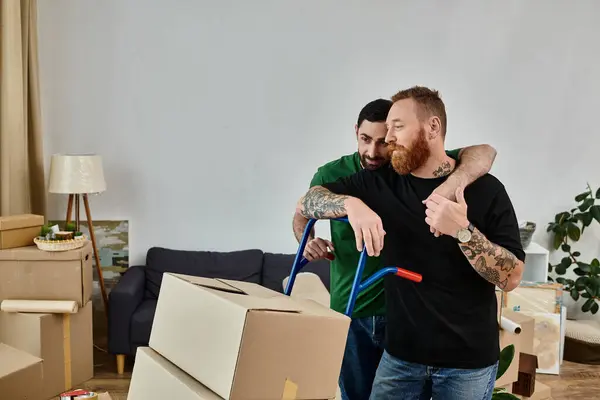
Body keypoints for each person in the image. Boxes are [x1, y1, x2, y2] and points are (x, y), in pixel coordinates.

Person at [294, 86, 525, 400]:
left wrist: (463, 231)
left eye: (397, 127)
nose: (388, 138)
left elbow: (510, 278)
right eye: (387, 128)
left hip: (467, 366)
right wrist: (351, 205)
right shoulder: (380, 183)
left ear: (432, 127)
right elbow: (308, 202)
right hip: (400, 359)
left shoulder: (486, 190)